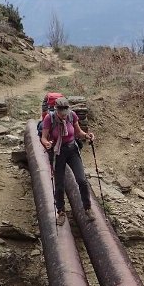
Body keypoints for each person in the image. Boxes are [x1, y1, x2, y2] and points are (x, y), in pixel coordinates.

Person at [40, 97, 96, 226]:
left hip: (72, 150)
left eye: (65, 111)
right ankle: (60, 211)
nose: (64, 115)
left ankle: (87, 208)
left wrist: (87, 136)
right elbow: (43, 137)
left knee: (82, 180)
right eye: (61, 112)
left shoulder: (72, 116)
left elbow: (78, 133)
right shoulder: (50, 118)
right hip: (58, 152)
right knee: (59, 184)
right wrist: (47, 143)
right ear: (56, 110)